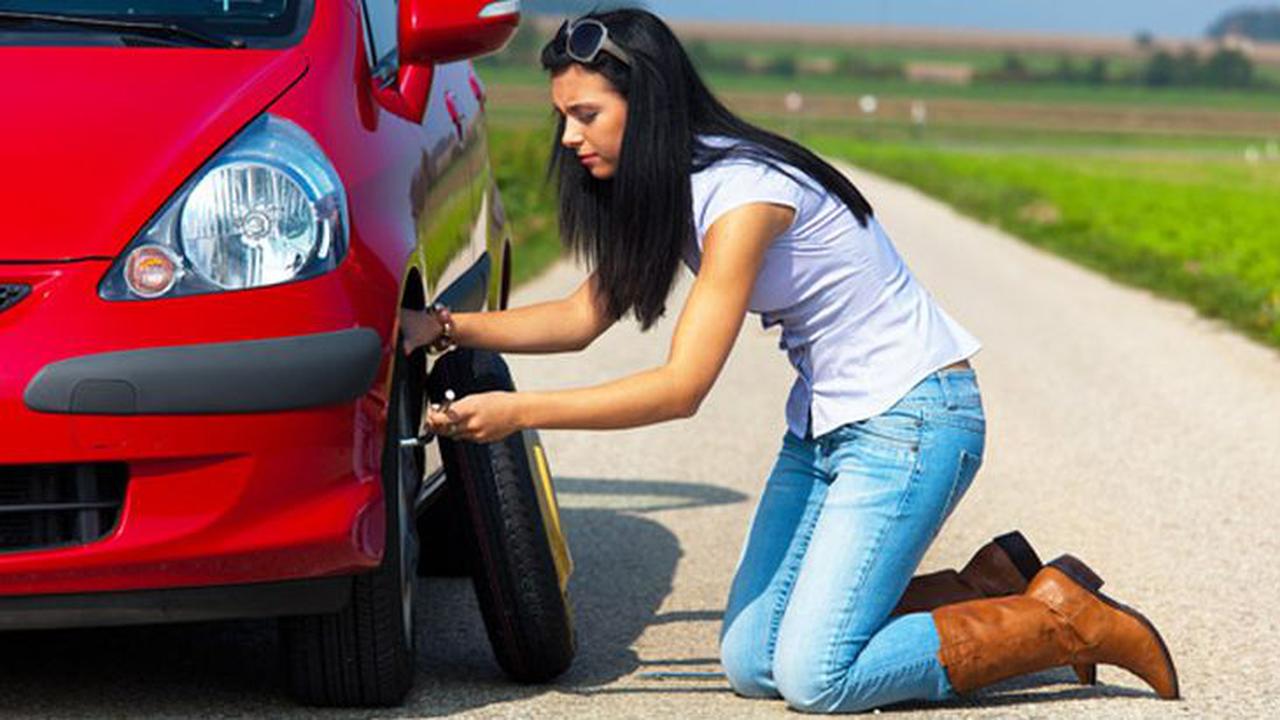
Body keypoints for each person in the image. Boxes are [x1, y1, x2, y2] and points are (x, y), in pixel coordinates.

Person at [399, 8, 1178, 713]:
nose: (569, 137)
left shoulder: (743, 197)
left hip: (912, 425)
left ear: (651, 106)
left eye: (586, 115)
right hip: (825, 433)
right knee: (750, 661)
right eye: (564, 117)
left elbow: (681, 388)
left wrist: (516, 414)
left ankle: (1058, 621)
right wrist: (436, 326)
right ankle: (986, 588)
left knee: (817, 678)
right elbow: (578, 317)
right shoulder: (672, 191)